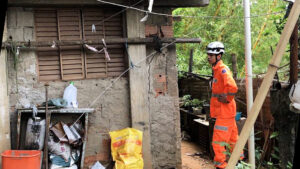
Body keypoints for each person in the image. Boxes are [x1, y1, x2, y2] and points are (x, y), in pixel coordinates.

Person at [206, 41, 243, 169]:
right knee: (233, 139)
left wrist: (227, 98)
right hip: (227, 111)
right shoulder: (216, 70)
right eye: (208, 54)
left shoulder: (222, 70)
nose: (208, 57)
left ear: (219, 56)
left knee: (218, 141)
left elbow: (233, 87)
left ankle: (221, 165)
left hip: (225, 111)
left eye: (211, 55)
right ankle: (238, 162)